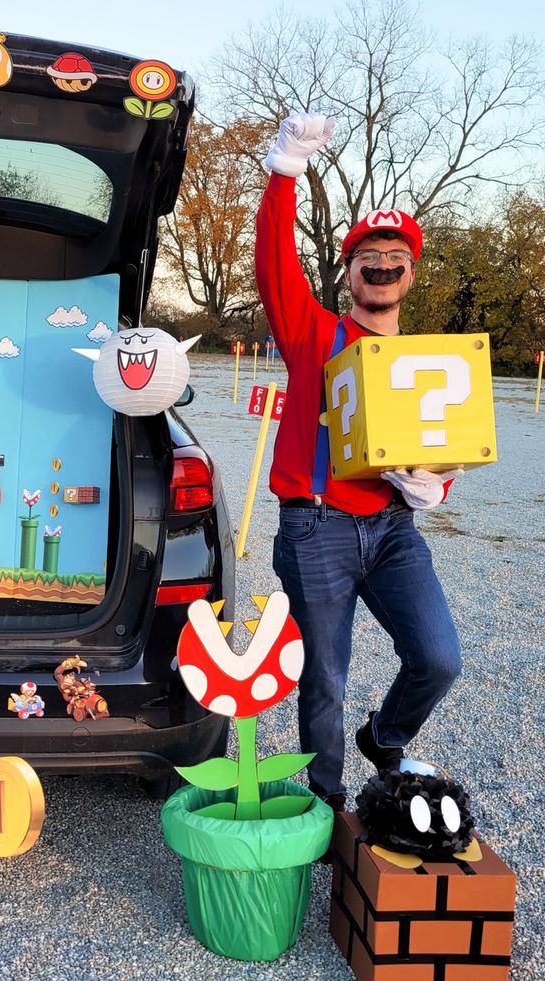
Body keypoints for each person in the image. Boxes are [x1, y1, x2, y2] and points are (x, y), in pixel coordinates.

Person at [256, 112, 462, 811]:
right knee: (326, 679)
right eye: (366, 252)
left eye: (394, 253)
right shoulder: (314, 332)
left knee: (439, 657)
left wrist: (435, 480)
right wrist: (283, 176)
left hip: (393, 529)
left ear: (410, 270)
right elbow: (275, 266)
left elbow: (447, 441)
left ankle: (386, 736)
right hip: (319, 528)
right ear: (347, 271)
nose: (380, 261)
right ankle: (327, 811)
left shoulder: (425, 361)